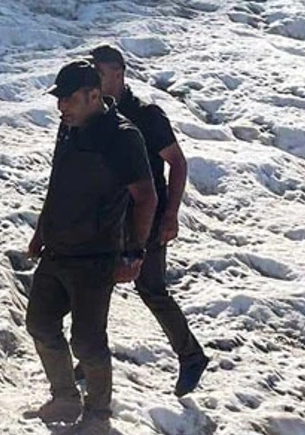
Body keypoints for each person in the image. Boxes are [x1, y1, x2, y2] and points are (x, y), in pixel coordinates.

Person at [25, 60, 157, 435]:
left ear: (94, 96)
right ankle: (65, 398)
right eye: (60, 100)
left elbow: (145, 197)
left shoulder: (122, 137)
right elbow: (57, 184)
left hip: (96, 257)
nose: (61, 107)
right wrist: (40, 231)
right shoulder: (69, 128)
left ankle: (98, 413)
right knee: (40, 323)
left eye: (68, 100)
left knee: (87, 341)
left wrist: (134, 251)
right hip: (57, 250)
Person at [90, 44, 209, 397]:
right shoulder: (95, 114)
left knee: (151, 289)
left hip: (146, 217)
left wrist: (170, 214)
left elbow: (178, 162)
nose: (93, 80)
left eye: (99, 73)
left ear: (118, 74)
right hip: (109, 218)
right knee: (94, 286)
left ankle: (191, 356)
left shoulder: (146, 115)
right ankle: (91, 359)